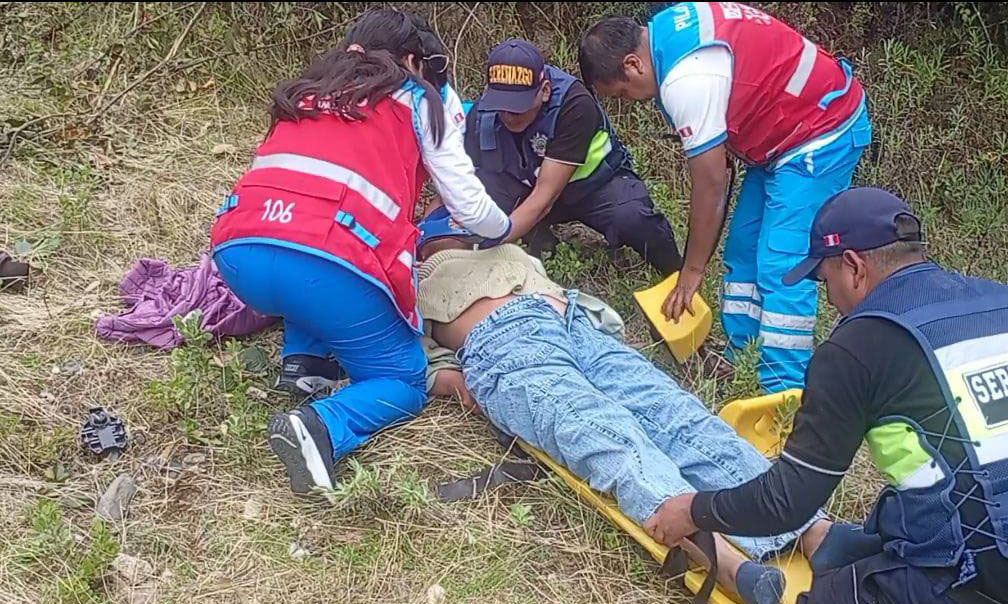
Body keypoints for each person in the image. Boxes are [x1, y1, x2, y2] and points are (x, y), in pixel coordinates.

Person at [644, 188, 1008, 603]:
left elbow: (786, 502)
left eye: (824, 280)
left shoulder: (860, 346)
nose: (830, 299)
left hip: (978, 574)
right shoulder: (998, 299)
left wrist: (693, 510)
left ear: (853, 266)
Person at [209, 9, 514, 492]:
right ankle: (322, 427)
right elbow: (470, 206)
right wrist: (505, 229)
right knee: (404, 379)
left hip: (238, 251)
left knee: (308, 264)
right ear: (412, 61)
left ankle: (305, 363)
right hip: (324, 264)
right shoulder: (419, 100)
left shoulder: (305, 91)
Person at [578, 2, 874, 392]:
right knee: (743, 250)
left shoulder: (686, 80)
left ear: (633, 64)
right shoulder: (664, 31)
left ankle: (783, 389)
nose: (630, 101)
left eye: (622, 92)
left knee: (781, 261)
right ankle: (742, 356)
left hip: (821, 131)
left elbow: (711, 186)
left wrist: (692, 270)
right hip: (779, 136)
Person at [463, 39, 683, 277]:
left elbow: (543, 199)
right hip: (528, 188)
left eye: (519, 106)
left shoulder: (574, 104)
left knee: (632, 217)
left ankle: (676, 274)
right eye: (501, 104)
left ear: (545, 91)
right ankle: (545, 249)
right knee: (484, 202)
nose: (509, 115)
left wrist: (486, 247)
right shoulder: (481, 114)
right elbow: (469, 187)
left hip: (594, 187)